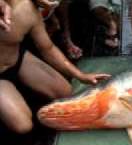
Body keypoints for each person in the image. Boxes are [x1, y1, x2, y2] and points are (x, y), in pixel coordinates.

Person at [0, 0, 110, 134]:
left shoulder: (27, 8)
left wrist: (80, 75)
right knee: (23, 125)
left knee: (66, 92)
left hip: (17, 57)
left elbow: (48, 49)